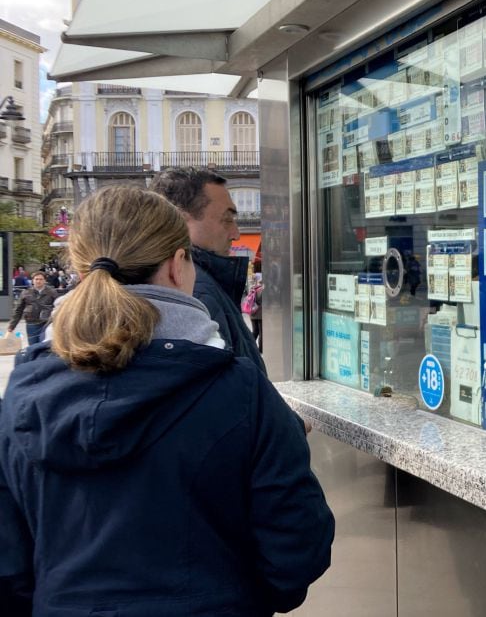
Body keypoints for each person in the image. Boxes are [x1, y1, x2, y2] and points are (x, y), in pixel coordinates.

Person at [0, 186, 333, 615]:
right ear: (178, 266)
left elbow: (9, 555)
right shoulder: (239, 389)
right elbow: (297, 540)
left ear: (82, 270)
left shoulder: (25, 389)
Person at [150, 167, 264, 372]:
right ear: (181, 222)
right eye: (227, 219)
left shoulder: (200, 284)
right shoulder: (195, 292)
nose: (236, 233)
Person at [5, 272, 57, 345]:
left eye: (41, 279)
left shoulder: (52, 292)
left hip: (46, 323)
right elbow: (18, 310)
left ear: (45, 281)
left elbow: (58, 307)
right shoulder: (26, 292)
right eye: (36, 279)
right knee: (33, 346)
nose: (38, 281)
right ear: (32, 280)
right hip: (32, 323)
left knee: (46, 346)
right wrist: (11, 327)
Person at [249, 272, 264, 352]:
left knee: (255, 331)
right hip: (260, 314)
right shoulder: (262, 290)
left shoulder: (252, 288)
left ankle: (249, 346)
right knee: (261, 332)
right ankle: (261, 349)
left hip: (252, 313)